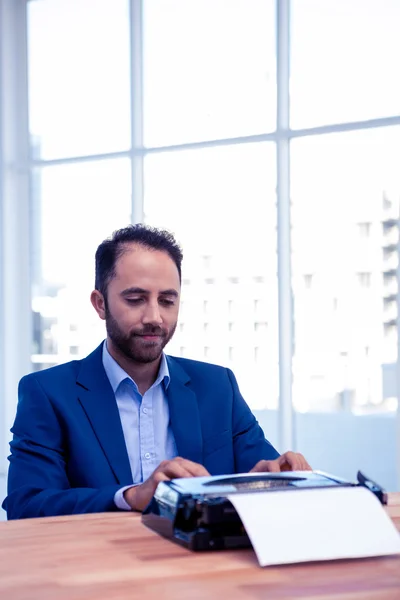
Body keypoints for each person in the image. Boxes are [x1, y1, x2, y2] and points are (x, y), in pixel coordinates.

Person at [3, 225, 311, 519]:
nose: (155, 317)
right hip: (98, 566)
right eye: (135, 299)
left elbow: (258, 472)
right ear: (100, 304)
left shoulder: (218, 387)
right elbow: (26, 505)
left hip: (202, 566)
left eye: (167, 301)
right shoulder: (47, 393)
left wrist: (267, 479)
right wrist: (130, 496)